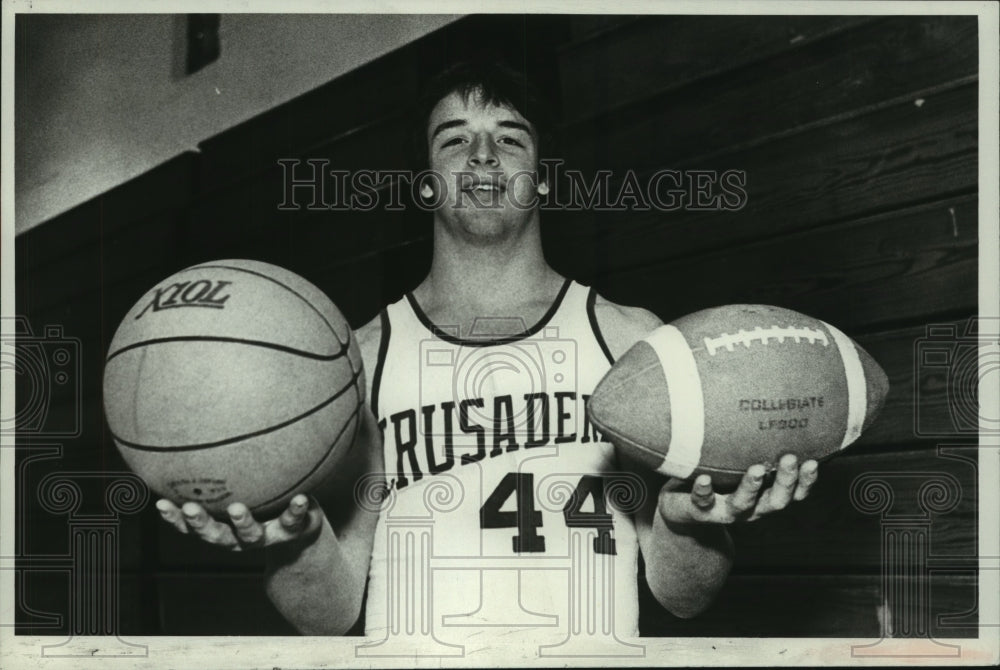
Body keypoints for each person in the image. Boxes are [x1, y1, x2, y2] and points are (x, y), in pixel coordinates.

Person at [155, 60, 819, 646]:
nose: (482, 156)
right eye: (454, 140)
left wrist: (690, 524)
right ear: (424, 183)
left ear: (545, 179)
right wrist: (295, 545)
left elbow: (683, 594)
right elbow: (328, 613)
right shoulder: (356, 360)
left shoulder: (630, 340)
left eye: (509, 137)